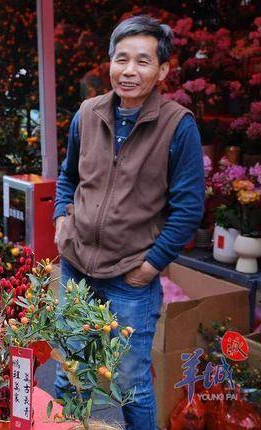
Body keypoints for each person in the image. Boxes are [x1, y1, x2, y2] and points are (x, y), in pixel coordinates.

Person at [53, 16, 204, 430]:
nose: (129, 70)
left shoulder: (177, 126)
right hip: (76, 267)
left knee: (129, 381)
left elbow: (189, 208)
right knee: (72, 371)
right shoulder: (89, 113)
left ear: (163, 71)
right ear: (109, 63)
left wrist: (151, 266)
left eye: (142, 61)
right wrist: (60, 221)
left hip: (130, 277)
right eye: (121, 59)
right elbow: (68, 177)